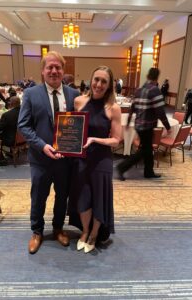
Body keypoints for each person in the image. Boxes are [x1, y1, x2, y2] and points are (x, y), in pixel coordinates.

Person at [18, 51, 79, 254]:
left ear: (63, 70)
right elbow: (24, 126)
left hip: (65, 160)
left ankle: (58, 228)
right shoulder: (31, 94)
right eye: (49, 67)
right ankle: (37, 232)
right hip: (40, 159)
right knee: (38, 197)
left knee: (62, 196)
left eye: (58, 67)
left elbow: (79, 125)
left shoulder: (73, 95)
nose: (54, 71)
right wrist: (43, 146)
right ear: (43, 71)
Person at [68, 66, 122, 253]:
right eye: (96, 79)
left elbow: (116, 140)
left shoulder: (113, 108)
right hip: (81, 159)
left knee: (98, 198)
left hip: (102, 160)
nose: (98, 84)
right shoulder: (78, 101)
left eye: (104, 81)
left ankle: (94, 234)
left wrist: (95, 139)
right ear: (91, 80)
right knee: (83, 197)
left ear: (109, 86)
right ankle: (84, 231)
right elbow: (69, 128)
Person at [117, 68, 171, 181]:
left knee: (147, 149)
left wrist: (128, 121)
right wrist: (167, 127)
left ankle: (148, 172)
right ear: (157, 78)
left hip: (138, 125)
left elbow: (132, 107)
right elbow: (160, 111)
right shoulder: (155, 90)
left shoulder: (139, 90)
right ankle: (122, 167)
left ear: (147, 76)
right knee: (145, 150)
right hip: (147, 126)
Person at [0, 96, 21, 165]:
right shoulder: (24, 112)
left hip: (11, 139)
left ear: (10, 104)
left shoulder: (7, 115)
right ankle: (10, 153)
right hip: (23, 139)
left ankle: (1, 159)